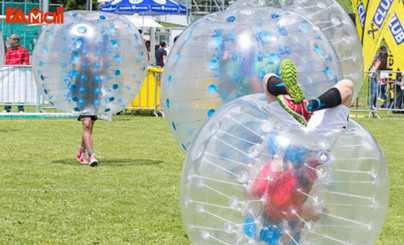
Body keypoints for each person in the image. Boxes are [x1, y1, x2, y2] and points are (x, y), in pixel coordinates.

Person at [250, 59, 354, 243]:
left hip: (318, 143)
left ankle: (311, 105)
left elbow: (316, 213)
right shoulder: (258, 190)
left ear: (277, 223)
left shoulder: (291, 213)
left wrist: (290, 236)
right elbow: (273, 165)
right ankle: (308, 105)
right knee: (268, 79)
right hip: (290, 130)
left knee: (348, 87)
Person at [73, 35, 107, 167]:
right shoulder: (79, 54)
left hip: (94, 90)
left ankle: (81, 152)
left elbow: (103, 71)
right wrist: (86, 61)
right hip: (81, 91)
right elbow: (76, 70)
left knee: (90, 124)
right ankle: (91, 155)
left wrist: (100, 58)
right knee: (86, 123)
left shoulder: (99, 54)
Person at [3, 34, 30, 113]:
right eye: (11, 39)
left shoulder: (24, 50)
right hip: (10, 74)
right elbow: (7, 63)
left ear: (17, 40)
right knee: (8, 90)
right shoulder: (8, 51)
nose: (11, 41)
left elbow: (27, 63)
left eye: (12, 39)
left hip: (20, 74)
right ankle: (7, 108)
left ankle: (20, 108)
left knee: (20, 90)